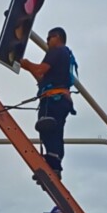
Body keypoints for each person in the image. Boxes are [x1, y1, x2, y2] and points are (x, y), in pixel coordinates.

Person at [20, 27, 77, 179]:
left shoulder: (56, 51)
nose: (47, 42)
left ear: (57, 37)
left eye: (49, 38)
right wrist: (29, 68)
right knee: (55, 131)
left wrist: (27, 64)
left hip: (54, 99)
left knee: (48, 128)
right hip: (61, 99)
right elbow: (42, 79)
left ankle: (53, 160)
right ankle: (55, 164)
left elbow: (40, 70)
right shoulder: (65, 55)